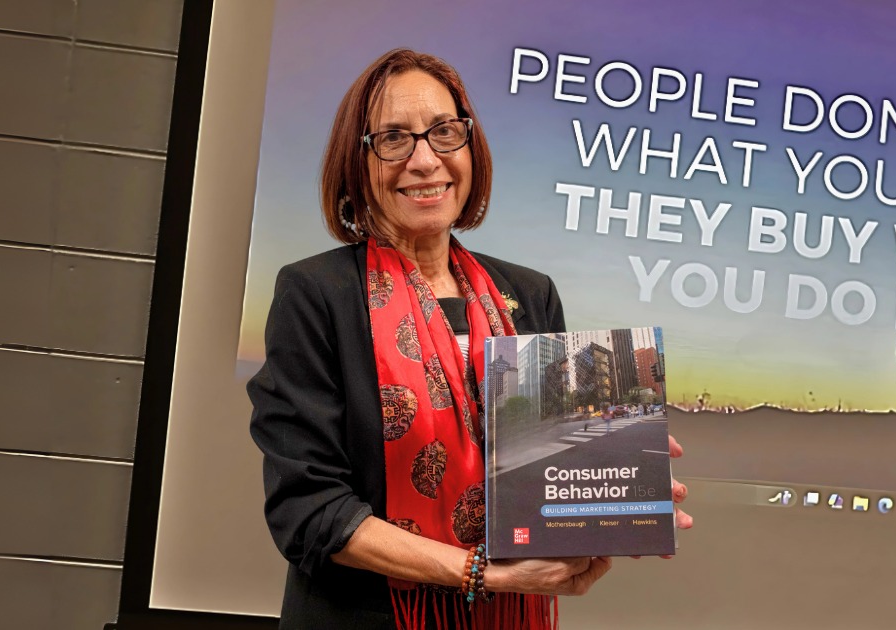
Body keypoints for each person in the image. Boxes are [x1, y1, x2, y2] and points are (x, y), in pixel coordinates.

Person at [248, 49, 691, 630]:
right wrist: (482, 571)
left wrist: (618, 498)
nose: (425, 160)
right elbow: (308, 510)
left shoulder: (529, 295)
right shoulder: (316, 294)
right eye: (394, 139)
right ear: (357, 162)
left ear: (470, 147)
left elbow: (552, 476)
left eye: (443, 132)